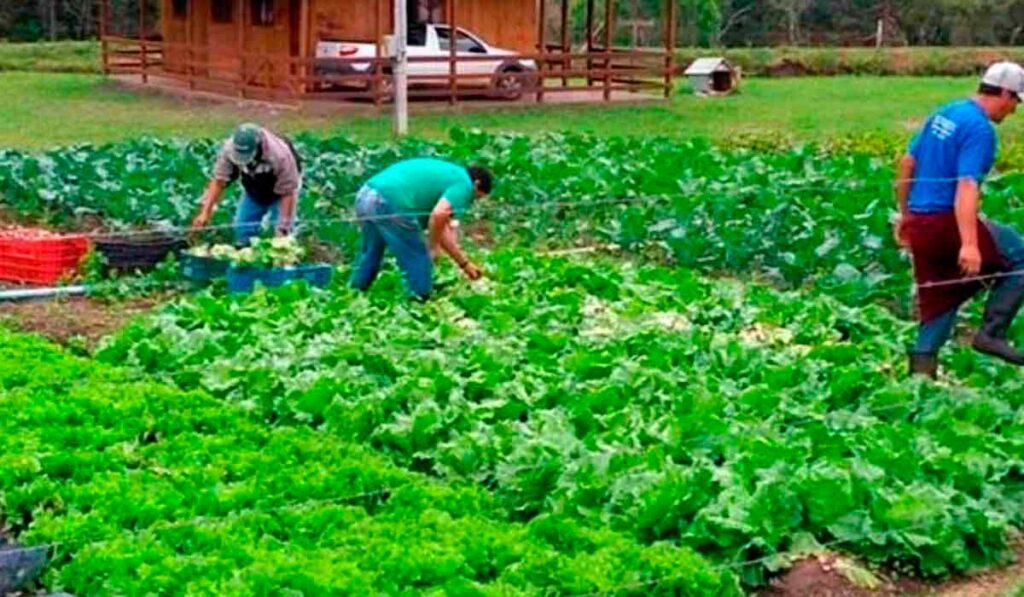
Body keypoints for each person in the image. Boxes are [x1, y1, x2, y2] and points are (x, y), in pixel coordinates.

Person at [895, 61, 1024, 377]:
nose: (1014, 111)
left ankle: (921, 377)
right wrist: (969, 244)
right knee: (1020, 258)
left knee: (940, 296)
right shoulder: (980, 129)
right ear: (1004, 93)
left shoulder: (946, 112)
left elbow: (907, 163)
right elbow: (967, 186)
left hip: (922, 223)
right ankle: (991, 334)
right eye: (1015, 101)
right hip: (945, 223)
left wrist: (906, 215)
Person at [350, 158, 492, 300]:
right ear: (477, 184)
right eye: (475, 198)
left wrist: (464, 264)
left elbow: (440, 225)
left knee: (371, 252)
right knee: (417, 256)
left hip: (366, 195)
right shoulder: (464, 184)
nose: (470, 201)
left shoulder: (451, 174)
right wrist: (433, 247)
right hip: (391, 201)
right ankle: (419, 304)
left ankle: (354, 296)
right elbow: (439, 214)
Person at [191, 123, 302, 246]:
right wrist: (205, 212)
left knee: (282, 234)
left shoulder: (280, 155)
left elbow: (288, 193)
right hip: (253, 186)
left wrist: (283, 227)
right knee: (242, 227)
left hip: (282, 192)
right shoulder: (229, 149)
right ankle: (246, 256)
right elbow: (219, 181)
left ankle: (283, 262)